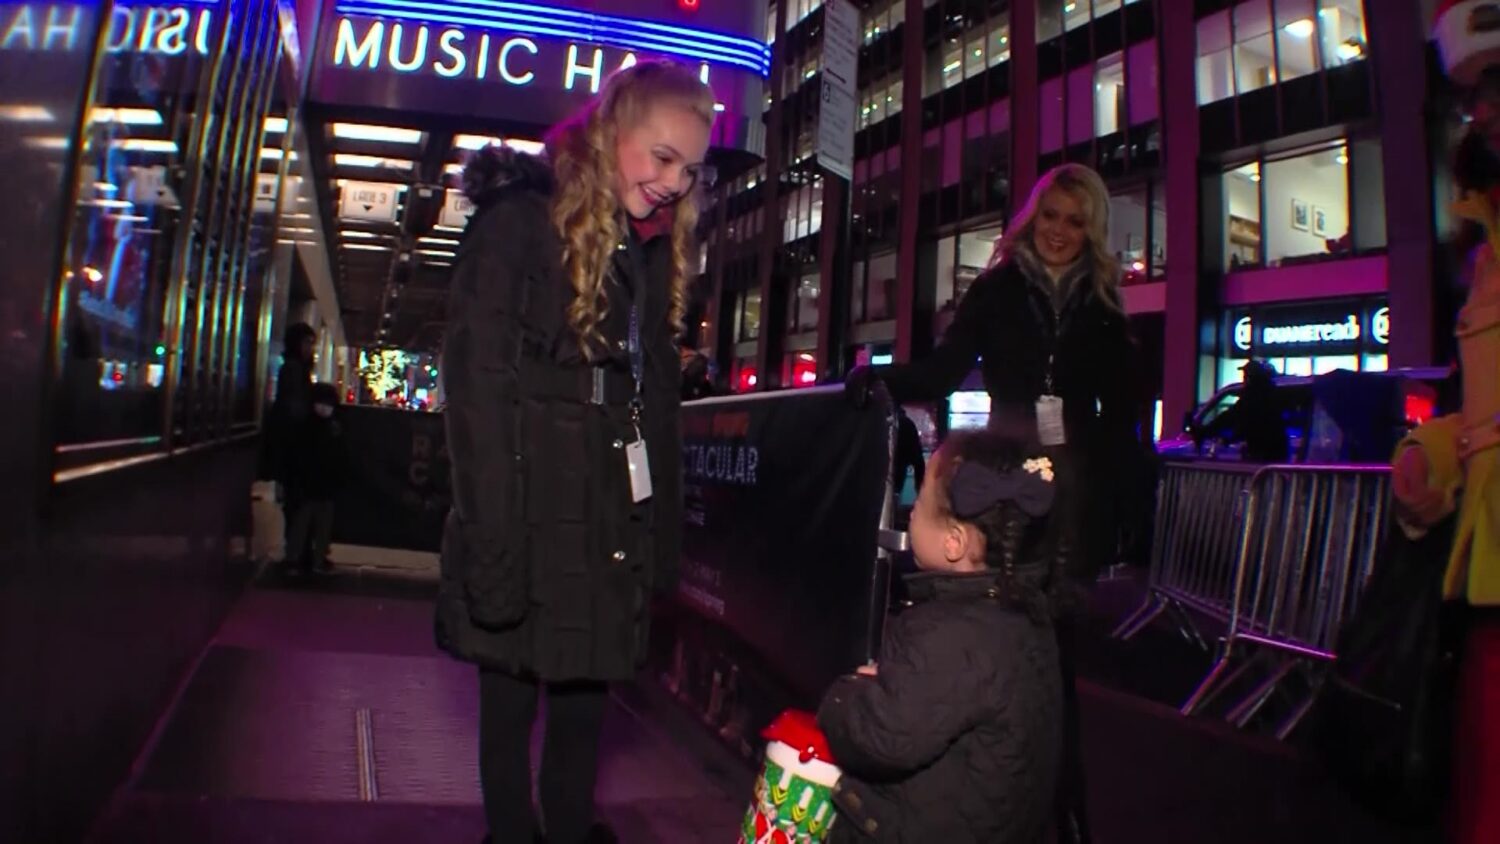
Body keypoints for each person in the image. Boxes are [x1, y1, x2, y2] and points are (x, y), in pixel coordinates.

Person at [436, 60, 713, 844]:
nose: (674, 182)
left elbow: (654, 401)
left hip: (604, 512)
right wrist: (493, 542)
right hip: (525, 505)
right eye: (660, 157)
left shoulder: (648, 247)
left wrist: (659, 535)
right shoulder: (519, 221)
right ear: (609, 131)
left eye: (689, 169)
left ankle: (563, 829)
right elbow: (479, 392)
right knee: (511, 698)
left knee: (587, 701)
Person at [845, 163, 1140, 844]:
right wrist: (878, 376)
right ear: (1033, 219)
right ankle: (987, 792)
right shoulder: (999, 289)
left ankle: (1057, 813)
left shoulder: (1102, 304)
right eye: (1050, 216)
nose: (1060, 231)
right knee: (992, 635)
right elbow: (943, 372)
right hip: (1004, 487)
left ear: (1090, 228)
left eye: (1075, 220)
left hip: (1073, 493)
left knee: (1055, 657)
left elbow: (1124, 417)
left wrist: (1125, 510)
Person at [817, 429, 1064, 843]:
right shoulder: (1026, 616)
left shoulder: (948, 632)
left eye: (921, 504)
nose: (910, 511)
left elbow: (884, 736)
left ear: (954, 543)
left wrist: (848, 696)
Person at [1195, 360, 1289, 462]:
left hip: (1264, 452)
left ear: (1250, 378)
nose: (1243, 378)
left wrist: (1208, 431)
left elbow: (1234, 416)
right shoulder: (1269, 393)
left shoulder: (1254, 395)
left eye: (1245, 375)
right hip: (1275, 450)